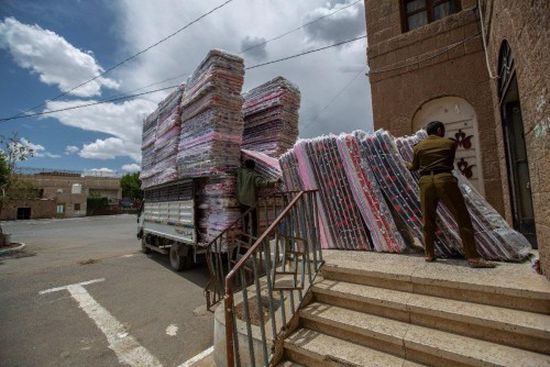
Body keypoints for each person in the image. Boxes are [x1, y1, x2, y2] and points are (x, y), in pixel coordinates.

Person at [407, 121, 494, 268]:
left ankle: (429, 254)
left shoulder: (418, 147)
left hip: (425, 182)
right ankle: (473, 257)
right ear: (440, 130)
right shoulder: (449, 143)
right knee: (462, 217)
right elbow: (449, 163)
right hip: (445, 180)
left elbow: (414, 167)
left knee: (428, 219)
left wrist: (405, 163)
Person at [236, 159, 279, 237]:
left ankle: (244, 235)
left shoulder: (240, 172)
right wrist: (274, 182)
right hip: (251, 201)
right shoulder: (254, 175)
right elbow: (261, 183)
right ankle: (254, 236)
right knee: (254, 220)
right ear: (254, 167)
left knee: (244, 219)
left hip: (241, 200)